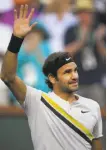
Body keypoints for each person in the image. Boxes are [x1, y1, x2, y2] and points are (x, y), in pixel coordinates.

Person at [0, 5, 103, 150]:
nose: (74, 75)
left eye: (75, 70)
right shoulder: (36, 100)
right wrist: (17, 39)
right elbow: (7, 76)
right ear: (53, 78)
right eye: (66, 72)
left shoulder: (92, 107)